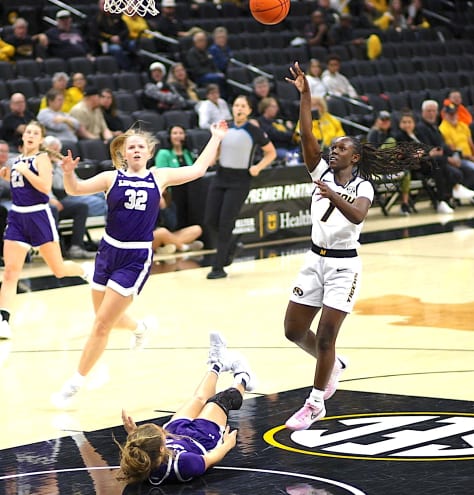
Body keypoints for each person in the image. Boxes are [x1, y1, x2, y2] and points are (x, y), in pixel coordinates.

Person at [283, 62, 425, 430]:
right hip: (314, 260)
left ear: (355, 157)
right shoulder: (320, 172)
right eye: (332, 147)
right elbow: (306, 134)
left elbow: (358, 216)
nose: (333, 151)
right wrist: (305, 95)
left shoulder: (363, 187)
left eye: (341, 148)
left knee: (327, 336)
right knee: (293, 330)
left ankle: (315, 402)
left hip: (344, 266)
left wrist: (332, 193)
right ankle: (334, 365)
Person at [50, 120, 228, 406]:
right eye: (130, 146)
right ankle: (139, 328)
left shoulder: (159, 177)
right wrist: (67, 173)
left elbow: (197, 170)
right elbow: (75, 190)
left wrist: (216, 138)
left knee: (101, 325)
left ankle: (75, 382)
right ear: (123, 153)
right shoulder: (111, 178)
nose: (135, 150)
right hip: (107, 252)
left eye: (140, 146)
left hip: (135, 258)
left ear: (148, 152)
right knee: (105, 319)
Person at [116, 332, 255, 484]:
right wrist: (228, 444)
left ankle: (217, 362)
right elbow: (211, 458)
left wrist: (134, 434)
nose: (162, 431)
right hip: (202, 440)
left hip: (176, 433)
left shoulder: (140, 460)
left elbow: (143, 449)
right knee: (220, 400)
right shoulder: (184, 465)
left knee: (198, 399)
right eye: (162, 433)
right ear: (162, 449)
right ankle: (244, 377)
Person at [0, 122, 90, 340]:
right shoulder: (16, 160)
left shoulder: (41, 159)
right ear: (23, 136)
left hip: (39, 216)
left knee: (58, 269)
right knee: (11, 272)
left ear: (41, 139)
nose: (30, 135)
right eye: (28, 132)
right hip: (17, 217)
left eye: (35, 133)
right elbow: (19, 186)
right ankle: (3, 320)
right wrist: (7, 176)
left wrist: (24, 172)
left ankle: (87, 271)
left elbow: (44, 187)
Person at [204, 95, 276, 279]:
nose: (239, 109)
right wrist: (212, 158)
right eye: (236, 105)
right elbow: (217, 148)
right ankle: (232, 245)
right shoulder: (224, 127)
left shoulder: (254, 130)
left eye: (243, 106)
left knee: (226, 221)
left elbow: (271, 153)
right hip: (221, 176)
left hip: (240, 180)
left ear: (250, 110)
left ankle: (218, 267)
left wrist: (258, 167)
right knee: (210, 219)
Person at [44, 136, 96, 260]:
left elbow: (74, 181)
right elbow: (43, 186)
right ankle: (55, 250)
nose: (55, 152)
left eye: (57, 149)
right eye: (52, 149)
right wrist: (50, 199)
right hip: (42, 200)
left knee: (81, 207)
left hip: (59, 198)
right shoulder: (40, 162)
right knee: (54, 208)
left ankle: (76, 247)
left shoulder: (59, 163)